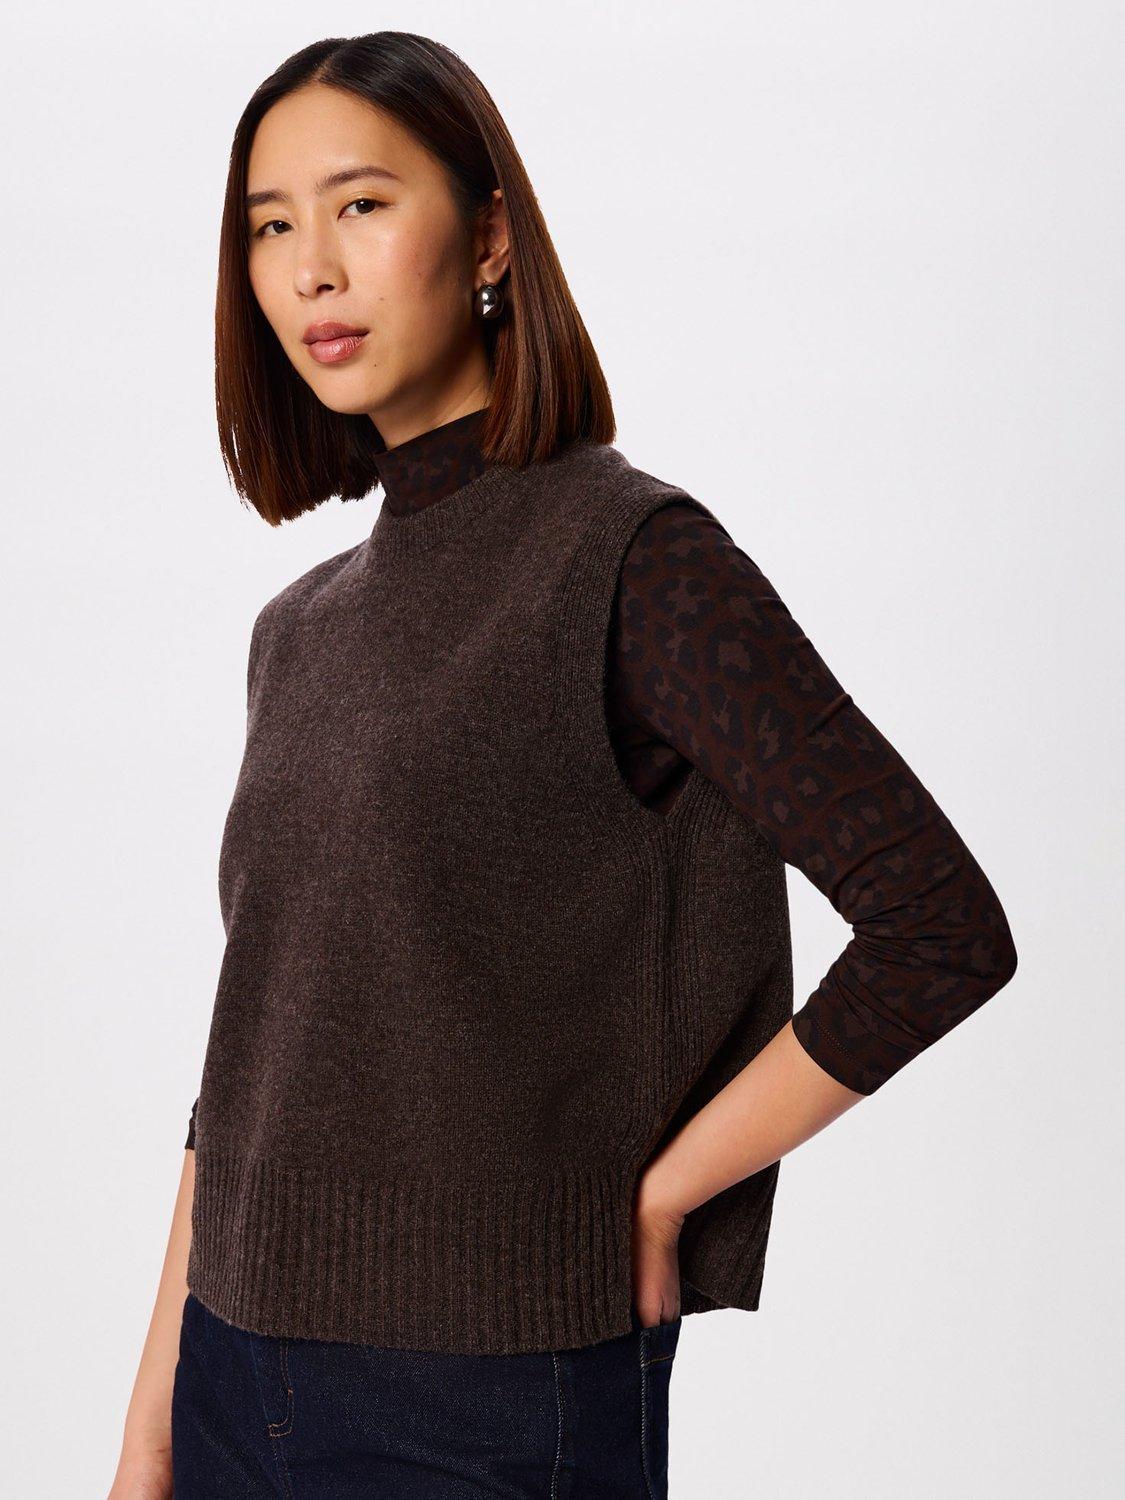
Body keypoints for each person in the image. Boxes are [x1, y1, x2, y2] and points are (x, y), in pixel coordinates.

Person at [108, 30, 1018, 1500]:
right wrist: (151, 1424)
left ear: (488, 236)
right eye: (269, 227)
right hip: (230, 1377)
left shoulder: (632, 561)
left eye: (360, 205)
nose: (310, 269)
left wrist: (663, 1195)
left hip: (485, 1396)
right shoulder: (299, 630)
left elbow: (939, 925)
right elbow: (254, 1058)